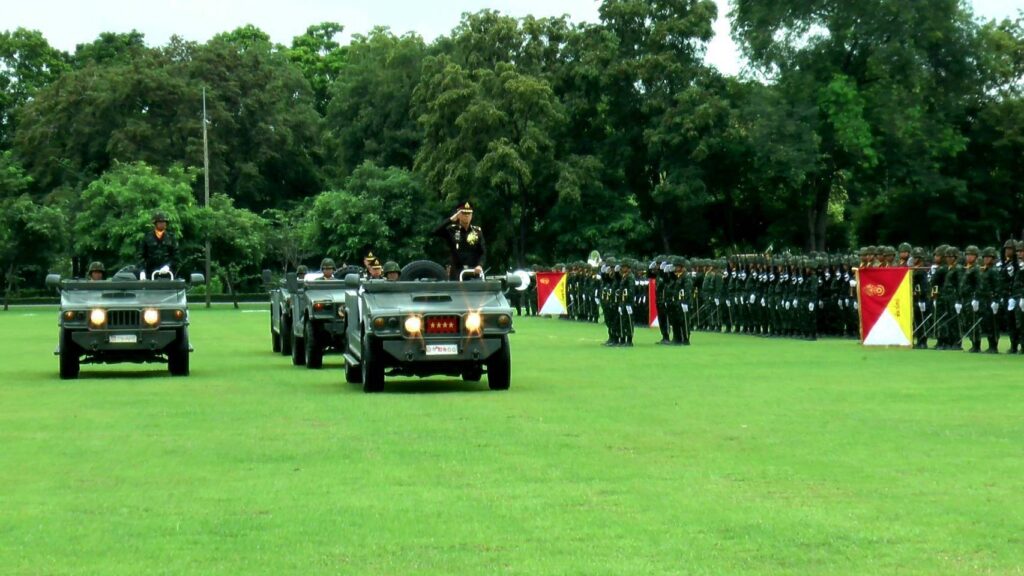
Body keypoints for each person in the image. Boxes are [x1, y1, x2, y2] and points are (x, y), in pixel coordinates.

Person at [434, 201, 486, 280]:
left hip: (473, 271)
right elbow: (435, 231)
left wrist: (480, 265)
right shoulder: (452, 230)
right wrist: (451, 219)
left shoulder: (477, 231)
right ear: (459, 215)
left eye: (469, 213)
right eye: (464, 213)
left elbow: (482, 252)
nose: (467, 216)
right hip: (456, 273)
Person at [139, 211, 176, 279]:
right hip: (150, 272)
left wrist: (168, 266)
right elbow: (141, 255)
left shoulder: (171, 237)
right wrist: (142, 271)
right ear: (155, 223)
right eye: (160, 222)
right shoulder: (147, 237)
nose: (162, 224)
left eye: (164, 222)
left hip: (167, 273)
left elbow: (176, 255)